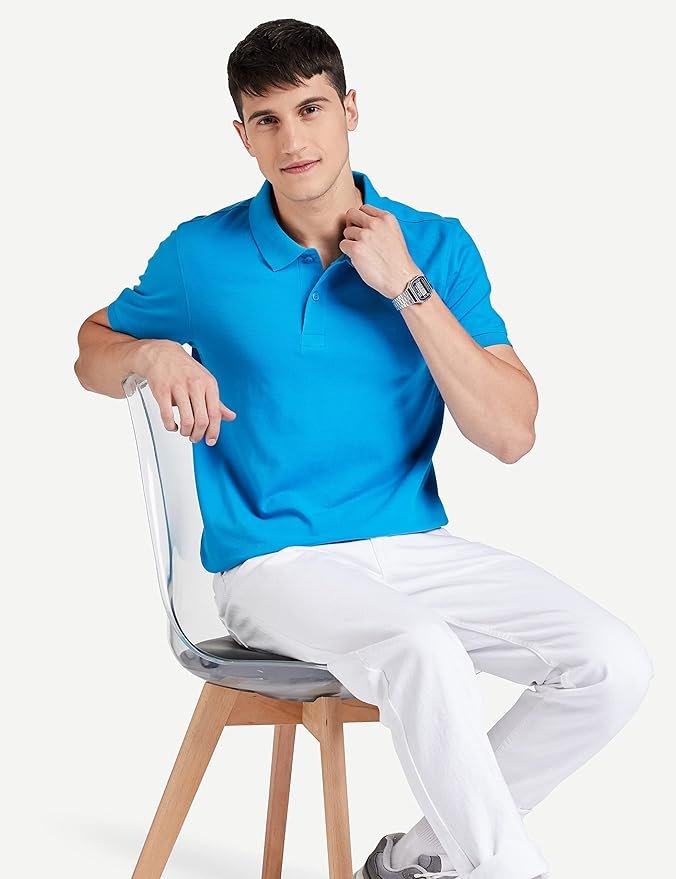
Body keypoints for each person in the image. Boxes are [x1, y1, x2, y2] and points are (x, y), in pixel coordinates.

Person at [74, 18, 655, 879]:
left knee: (611, 663)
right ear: (242, 136)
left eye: (310, 109)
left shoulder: (436, 244)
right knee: (424, 647)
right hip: (270, 562)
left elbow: (511, 433)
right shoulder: (200, 255)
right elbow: (91, 349)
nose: (293, 140)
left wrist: (406, 285)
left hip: (412, 546)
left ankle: (418, 861)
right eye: (267, 120)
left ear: (350, 109)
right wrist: (153, 353)